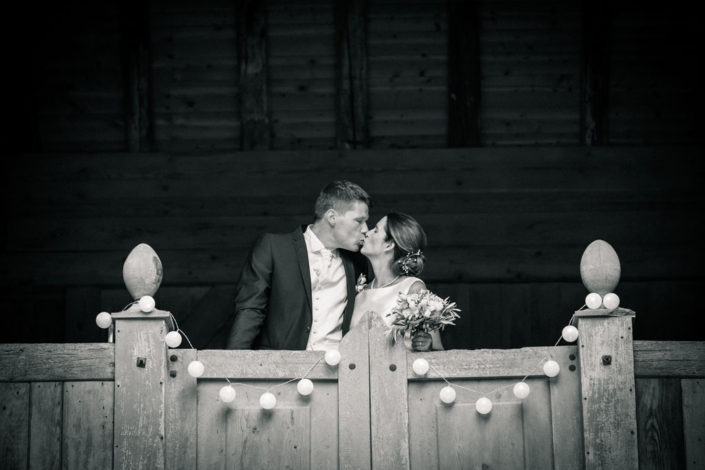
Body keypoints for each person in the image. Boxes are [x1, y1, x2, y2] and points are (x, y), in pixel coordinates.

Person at [226, 180, 370, 350]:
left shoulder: (360, 262)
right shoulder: (274, 248)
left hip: (339, 369)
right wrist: (231, 366)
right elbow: (251, 310)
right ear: (332, 217)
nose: (365, 229)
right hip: (280, 368)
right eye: (359, 221)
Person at [350, 211, 443, 350]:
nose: (367, 233)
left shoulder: (413, 289)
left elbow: (438, 351)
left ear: (389, 245)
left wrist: (426, 345)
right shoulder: (360, 292)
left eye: (375, 230)